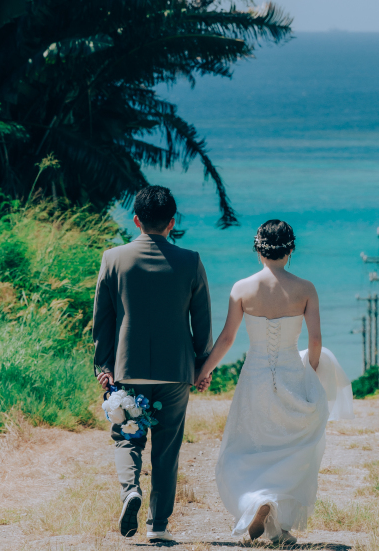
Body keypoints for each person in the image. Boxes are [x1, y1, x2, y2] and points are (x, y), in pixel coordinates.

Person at [196, 219, 353, 546]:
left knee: (249, 444)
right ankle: (275, 515)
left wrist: (205, 371)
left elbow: (226, 339)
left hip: (253, 376)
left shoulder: (241, 288)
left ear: (258, 249)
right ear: (291, 249)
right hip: (290, 372)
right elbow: (316, 340)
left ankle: (258, 503)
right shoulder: (305, 288)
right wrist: (308, 372)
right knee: (293, 446)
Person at [92, 185, 213, 543]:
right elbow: (202, 322)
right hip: (175, 370)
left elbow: (103, 318)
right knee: (166, 447)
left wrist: (103, 365)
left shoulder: (113, 259)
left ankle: (131, 489)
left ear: (136, 220)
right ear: (172, 222)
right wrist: (201, 366)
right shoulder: (190, 260)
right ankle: (158, 525)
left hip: (127, 368)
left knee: (127, 437)